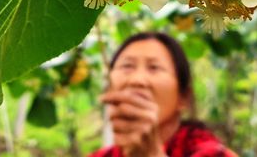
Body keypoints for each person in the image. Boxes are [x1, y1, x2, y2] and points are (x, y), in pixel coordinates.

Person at [89, 32, 237, 157]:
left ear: (183, 97)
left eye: (154, 68)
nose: (137, 80)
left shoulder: (213, 153)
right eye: (127, 66)